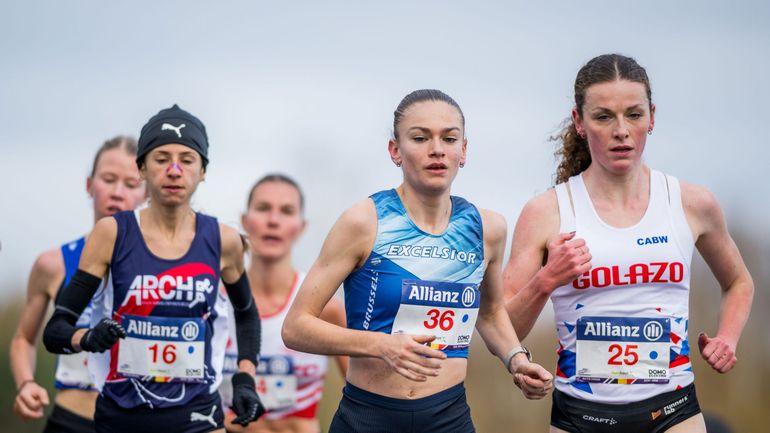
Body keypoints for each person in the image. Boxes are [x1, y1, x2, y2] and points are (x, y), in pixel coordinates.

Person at [502, 54, 754, 433]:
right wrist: (546, 279)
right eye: (604, 117)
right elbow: (502, 326)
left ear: (652, 117)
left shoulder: (691, 203)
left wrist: (728, 338)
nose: (621, 130)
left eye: (633, 115)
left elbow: (738, 282)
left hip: (673, 410)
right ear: (579, 122)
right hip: (580, 417)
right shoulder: (547, 212)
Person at [282, 89, 553, 433]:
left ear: (463, 150)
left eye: (449, 138)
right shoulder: (364, 222)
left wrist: (516, 359)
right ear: (395, 150)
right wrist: (381, 346)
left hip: (448, 418)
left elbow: (489, 312)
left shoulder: (488, 228)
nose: (436, 149)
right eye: (420, 137)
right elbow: (296, 326)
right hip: (368, 416)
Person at [42, 105, 266, 433]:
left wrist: (245, 377)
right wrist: (88, 337)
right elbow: (55, 331)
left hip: (198, 415)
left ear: (202, 170)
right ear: (142, 169)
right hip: (122, 415)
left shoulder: (224, 240)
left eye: (186, 160)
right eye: (161, 159)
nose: (174, 170)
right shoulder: (112, 234)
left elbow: (247, 314)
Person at [10, 136, 146, 433]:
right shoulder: (53, 264)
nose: (117, 193)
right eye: (108, 179)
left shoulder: (166, 271)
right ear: (89, 185)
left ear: (146, 194)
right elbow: (24, 339)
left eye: (131, 184)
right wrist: (26, 383)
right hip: (72, 420)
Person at [220, 174, 348, 433]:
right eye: (263, 208)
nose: (273, 220)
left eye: (286, 211)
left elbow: (366, 394)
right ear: (245, 222)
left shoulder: (325, 309)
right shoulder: (214, 303)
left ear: (301, 226)